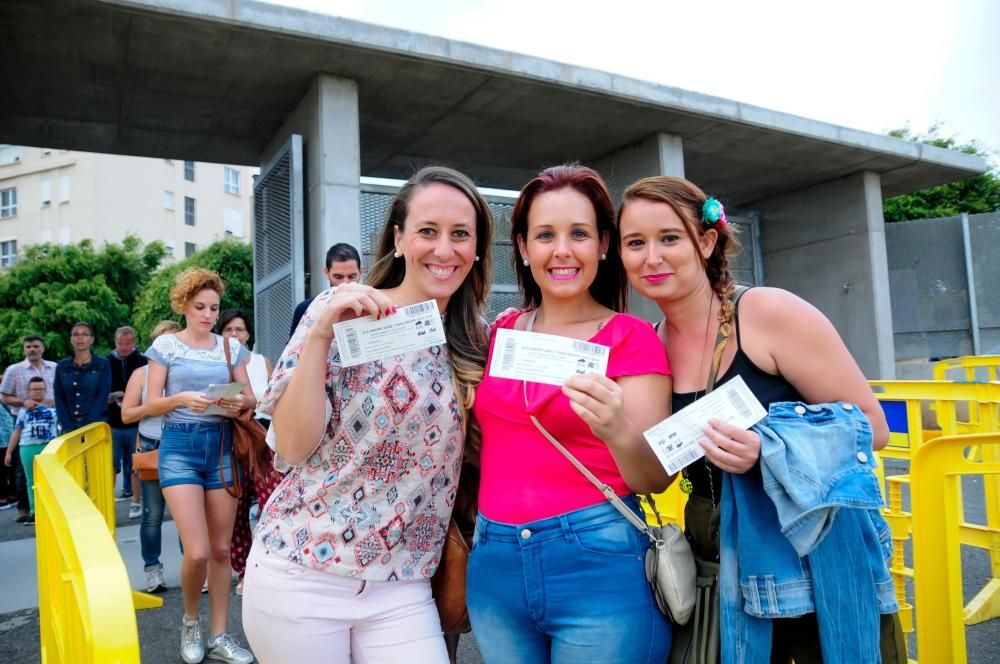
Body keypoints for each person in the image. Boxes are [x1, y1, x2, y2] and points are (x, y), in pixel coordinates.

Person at [616, 175, 904, 663]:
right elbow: (658, 469)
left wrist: (768, 451)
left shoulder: (767, 313)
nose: (652, 257)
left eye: (669, 238)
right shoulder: (648, 342)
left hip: (814, 549)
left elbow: (872, 427)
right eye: (634, 243)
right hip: (719, 559)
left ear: (706, 241)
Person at [242, 165, 493, 664]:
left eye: (460, 234)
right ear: (398, 240)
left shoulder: (475, 340)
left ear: (478, 249)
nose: (444, 249)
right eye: (428, 231)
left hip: (405, 584)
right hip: (302, 571)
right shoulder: (338, 312)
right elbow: (290, 447)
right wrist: (320, 338)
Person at [466, 164, 673, 664]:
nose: (562, 250)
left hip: (598, 562)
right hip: (494, 564)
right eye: (545, 235)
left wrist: (616, 428)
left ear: (604, 245)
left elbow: (654, 478)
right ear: (522, 247)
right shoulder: (499, 335)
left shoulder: (631, 338)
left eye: (579, 234)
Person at [146, 269, 256, 664]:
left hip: (221, 447)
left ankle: (220, 635)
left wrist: (236, 402)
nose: (208, 315)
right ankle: (190, 620)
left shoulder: (231, 349)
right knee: (196, 551)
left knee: (222, 549)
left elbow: (251, 397)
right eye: (200, 307)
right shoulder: (166, 347)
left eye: (214, 308)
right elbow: (150, 402)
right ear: (184, 305)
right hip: (178, 445)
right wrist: (184, 399)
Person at [216, 308, 279, 596]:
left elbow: (271, 399)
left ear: (248, 334)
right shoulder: (215, 362)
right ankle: (243, 570)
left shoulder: (262, 361)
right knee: (238, 509)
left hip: (262, 439)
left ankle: (267, 565)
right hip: (230, 440)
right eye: (228, 330)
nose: (234, 335)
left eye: (239, 329)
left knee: (270, 503)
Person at [121, 319, 183, 594]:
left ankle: (194, 569)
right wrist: (158, 405)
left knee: (188, 514)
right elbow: (126, 414)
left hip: (184, 442)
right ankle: (152, 570)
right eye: (164, 341)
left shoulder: (190, 369)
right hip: (152, 446)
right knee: (153, 514)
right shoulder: (141, 374)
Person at [1, 335, 56, 522]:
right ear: (24, 349)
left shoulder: (54, 368)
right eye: (28, 346)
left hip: (50, 422)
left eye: (36, 346)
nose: (32, 349)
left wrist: (53, 403)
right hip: (24, 423)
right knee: (22, 472)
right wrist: (23, 402)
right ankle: (25, 508)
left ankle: (50, 506)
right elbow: (4, 396)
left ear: (43, 348)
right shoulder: (14, 370)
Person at [107, 325, 149, 517]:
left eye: (128, 344)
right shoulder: (106, 362)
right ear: (115, 343)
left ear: (134, 343)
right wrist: (111, 396)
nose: (124, 347)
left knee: (135, 465)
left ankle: (136, 501)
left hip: (136, 423)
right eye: (120, 343)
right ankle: (107, 504)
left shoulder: (142, 362)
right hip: (112, 422)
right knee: (111, 467)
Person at [289, 242, 363, 337]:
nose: (345, 283)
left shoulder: (373, 305)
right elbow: (293, 349)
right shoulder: (305, 308)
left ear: (361, 272)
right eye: (338, 277)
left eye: (352, 276)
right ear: (327, 273)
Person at [54, 322, 112, 435]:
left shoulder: (102, 364)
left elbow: (102, 396)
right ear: (71, 339)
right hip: (68, 428)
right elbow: (59, 398)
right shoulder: (62, 366)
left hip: (94, 426)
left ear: (91, 339)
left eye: (84, 334)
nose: (80, 338)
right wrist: (67, 426)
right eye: (75, 334)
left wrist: (87, 427)